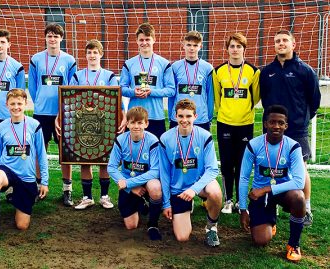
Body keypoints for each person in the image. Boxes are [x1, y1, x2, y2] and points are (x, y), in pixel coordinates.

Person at [260, 30, 321, 226]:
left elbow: (315, 100)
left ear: (293, 45)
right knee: (273, 168)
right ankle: (273, 207)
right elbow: (264, 97)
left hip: (296, 130)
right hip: (272, 130)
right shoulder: (267, 71)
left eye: (285, 40)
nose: (281, 44)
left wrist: (301, 120)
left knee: (300, 169)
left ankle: (307, 208)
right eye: (277, 41)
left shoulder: (305, 71)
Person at [239, 105, 306, 262]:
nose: (276, 126)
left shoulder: (293, 146)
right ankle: (269, 220)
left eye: (281, 123)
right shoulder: (253, 145)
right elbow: (243, 178)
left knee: (299, 198)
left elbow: (299, 181)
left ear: (286, 126)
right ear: (265, 123)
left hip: (282, 193)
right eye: (272, 122)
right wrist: (243, 210)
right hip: (259, 195)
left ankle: (294, 245)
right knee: (260, 240)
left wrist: (266, 189)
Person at [66, 39, 126, 210]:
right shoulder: (78, 75)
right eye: (89, 52)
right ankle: (87, 197)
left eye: (95, 52)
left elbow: (117, 99)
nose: (92, 55)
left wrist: (123, 116)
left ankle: (104, 196)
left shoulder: (109, 76)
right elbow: (69, 99)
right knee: (85, 159)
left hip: (104, 123)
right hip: (82, 123)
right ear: (85, 55)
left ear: (101, 54)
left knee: (104, 159)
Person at [0, 89, 49, 240]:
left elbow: (42, 155)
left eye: (19, 103)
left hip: (26, 177)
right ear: (7, 105)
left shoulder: (35, 125)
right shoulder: (1, 127)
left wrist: (44, 181)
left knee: (22, 226)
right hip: (6, 170)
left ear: (25, 104)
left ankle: (17, 197)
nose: (16, 107)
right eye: (12, 104)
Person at [160, 99, 222, 247]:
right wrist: (166, 203)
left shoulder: (205, 136)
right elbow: (164, 173)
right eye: (181, 116)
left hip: (198, 185)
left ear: (195, 116)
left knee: (215, 193)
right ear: (175, 116)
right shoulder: (165, 138)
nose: (184, 120)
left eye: (188, 116)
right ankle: (186, 207)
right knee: (182, 237)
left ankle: (211, 227)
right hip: (179, 190)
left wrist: (193, 189)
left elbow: (212, 169)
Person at [28, 23, 77, 206]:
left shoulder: (69, 60)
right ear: (45, 38)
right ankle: (39, 186)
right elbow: (32, 86)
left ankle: (67, 190)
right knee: (40, 150)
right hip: (41, 112)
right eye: (49, 36)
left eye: (56, 36)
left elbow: (72, 86)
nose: (52, 39)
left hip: (63, 113)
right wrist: (40, 100)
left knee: (65, 152)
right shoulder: (36, 59)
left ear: (61, 39)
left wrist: (64, 107)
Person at [213, 32, 260, 214]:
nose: (235, 49)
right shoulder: (218, 71)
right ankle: (228, 200)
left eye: (238, 46)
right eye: (232, 46)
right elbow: (217, 99)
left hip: (245, 123)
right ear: (227, 49)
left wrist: (243, 109)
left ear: (244, 49)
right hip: (225, 122)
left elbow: (255, 97)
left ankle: (241, 200)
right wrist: (226, 111)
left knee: (242, 163)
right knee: (226, 162)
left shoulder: (253, 71)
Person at [107, 106, 163, 241]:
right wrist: (131, 187)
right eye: (132, 122)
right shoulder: (120, 140)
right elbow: (112, 167)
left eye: (140, 123)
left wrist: (128, 183)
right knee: (131, 226)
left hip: (146, 181)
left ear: (146, 123)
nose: (136, 126)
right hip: (129, 185)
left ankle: (153, 224)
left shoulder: (153, 141)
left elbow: (155, 171)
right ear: (127, 123)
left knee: (155, 188)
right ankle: (141, 205)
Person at [119, 22, 175, 139]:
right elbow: (122, 89)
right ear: (137, 41)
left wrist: (151, 92)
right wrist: (134, 92)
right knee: (134, 152)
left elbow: (171, 90)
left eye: (147, 39)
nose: (144, 43)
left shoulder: (164, 64)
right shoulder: (129, 64)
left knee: (156, 152)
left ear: (154, 39)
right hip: (134, 117)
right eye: (141, 40)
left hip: (156, 116)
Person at [169, 31, 214, 131]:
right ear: (183, 45)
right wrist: (171, 116)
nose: (192, 48)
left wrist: (209, 117)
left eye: (195, 45)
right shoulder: (175, 67)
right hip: (179, 118)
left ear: (200, 46)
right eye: (189, 45)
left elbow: (210, 95)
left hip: (200, 119)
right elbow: (172, 95)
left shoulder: (208, 68)